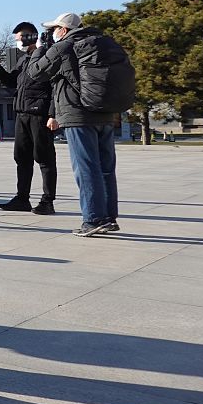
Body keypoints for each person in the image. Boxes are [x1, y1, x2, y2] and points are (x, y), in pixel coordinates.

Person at [25, 13, 134, 237]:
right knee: (106, 168)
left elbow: (35, 72)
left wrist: (40, 48)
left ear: (63, 30)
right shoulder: (100, 43)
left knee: (86, 168)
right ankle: (108, 218)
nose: (52, 33)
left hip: (78, 116)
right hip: (104, 113)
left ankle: (93, 219)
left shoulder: (64, 47)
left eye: (54, 29)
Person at [0, 23, 57, 215]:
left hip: (40, 114)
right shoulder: (23, 59)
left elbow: (55, 87)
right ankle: (22, 198)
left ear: (30, 37)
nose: (18, 42)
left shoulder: (47, 56)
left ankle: (47, 201)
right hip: (22, 113)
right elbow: (12, 82)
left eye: (20, 38)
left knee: (44, 158)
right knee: (22, 157)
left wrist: (53, 114)